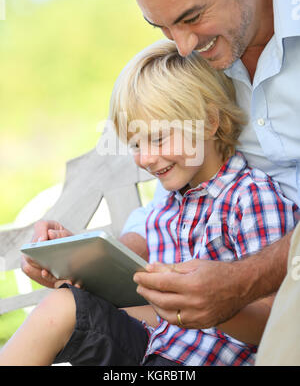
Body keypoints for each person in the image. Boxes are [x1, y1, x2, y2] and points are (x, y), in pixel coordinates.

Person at [1, 39, 298, 366]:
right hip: (154, 348)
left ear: (211, 122)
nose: (144, 158)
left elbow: (279, 324)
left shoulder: (252, 198)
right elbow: (148, 309)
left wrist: (208, 305)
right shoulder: (168, 206)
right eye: (135, 144)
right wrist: (78, 264)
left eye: (158, 138)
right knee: (64, 306)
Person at [100, 0, 300, 334]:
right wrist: (100, 262)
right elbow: (172, 199)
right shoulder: (198, 62)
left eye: (192, 17)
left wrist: (245, 281)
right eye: (163, 27)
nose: (183, 45)